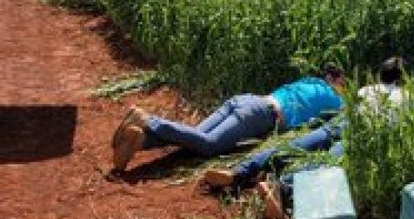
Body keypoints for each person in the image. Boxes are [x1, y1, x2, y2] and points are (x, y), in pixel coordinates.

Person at [203, 55, 408, 197]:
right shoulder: (408, 97)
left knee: (298, 145)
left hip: (343, 121)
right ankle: (281, 189)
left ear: (382, 74)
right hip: (364, 132)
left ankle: (239, 171)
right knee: (329, 161)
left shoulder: (367, 89)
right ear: (404, 77)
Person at [111, 65, 344, 172]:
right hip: (260, 115)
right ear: (338, 83)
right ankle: (149, 120)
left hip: (246, 101)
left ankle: (142, 140)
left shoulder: (309, 82)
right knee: (209, 145)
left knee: (194, 139)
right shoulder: (336, 100)